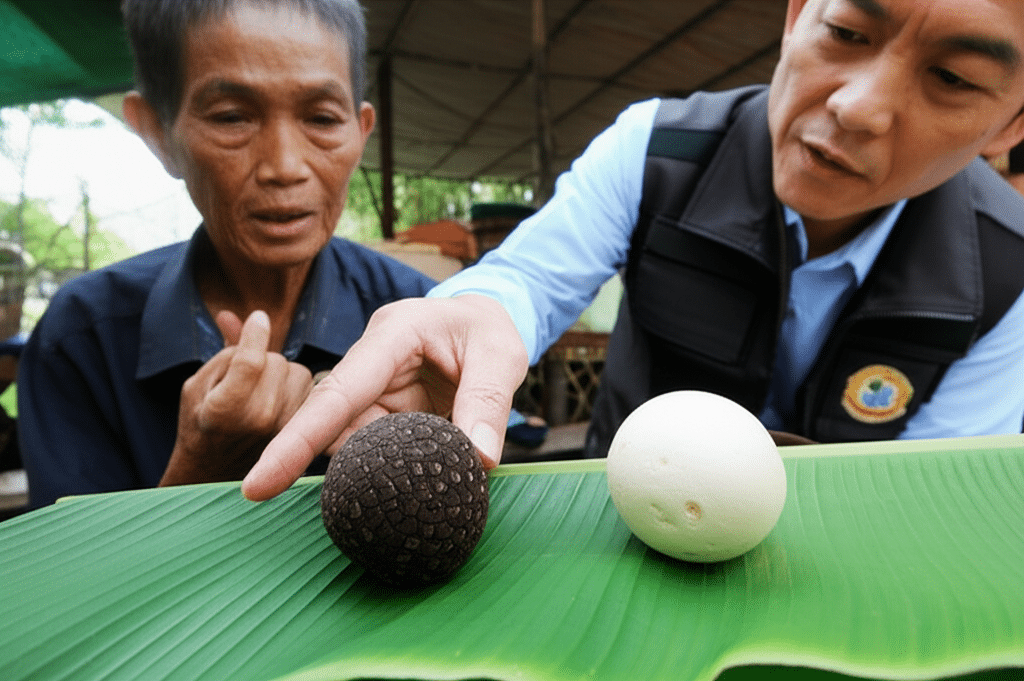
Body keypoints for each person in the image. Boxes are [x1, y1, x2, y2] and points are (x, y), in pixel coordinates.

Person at [240, 0, 1024, 502]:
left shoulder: (1011, 269)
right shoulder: (656, 147)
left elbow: (929, 493)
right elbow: (526, 279)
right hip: (622, 522)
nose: (858, 107)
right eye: (847, 33)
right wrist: (468, 315)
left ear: (1012, 126)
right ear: (794, 18)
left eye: (953, 77)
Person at [17, 0, 438, 509]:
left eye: (322, 118)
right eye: (232, 117)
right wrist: (202, 474)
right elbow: (70, 582)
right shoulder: (82, 339)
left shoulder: (420, 318)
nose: (285, 166)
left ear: (360, 129)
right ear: (157, 133)